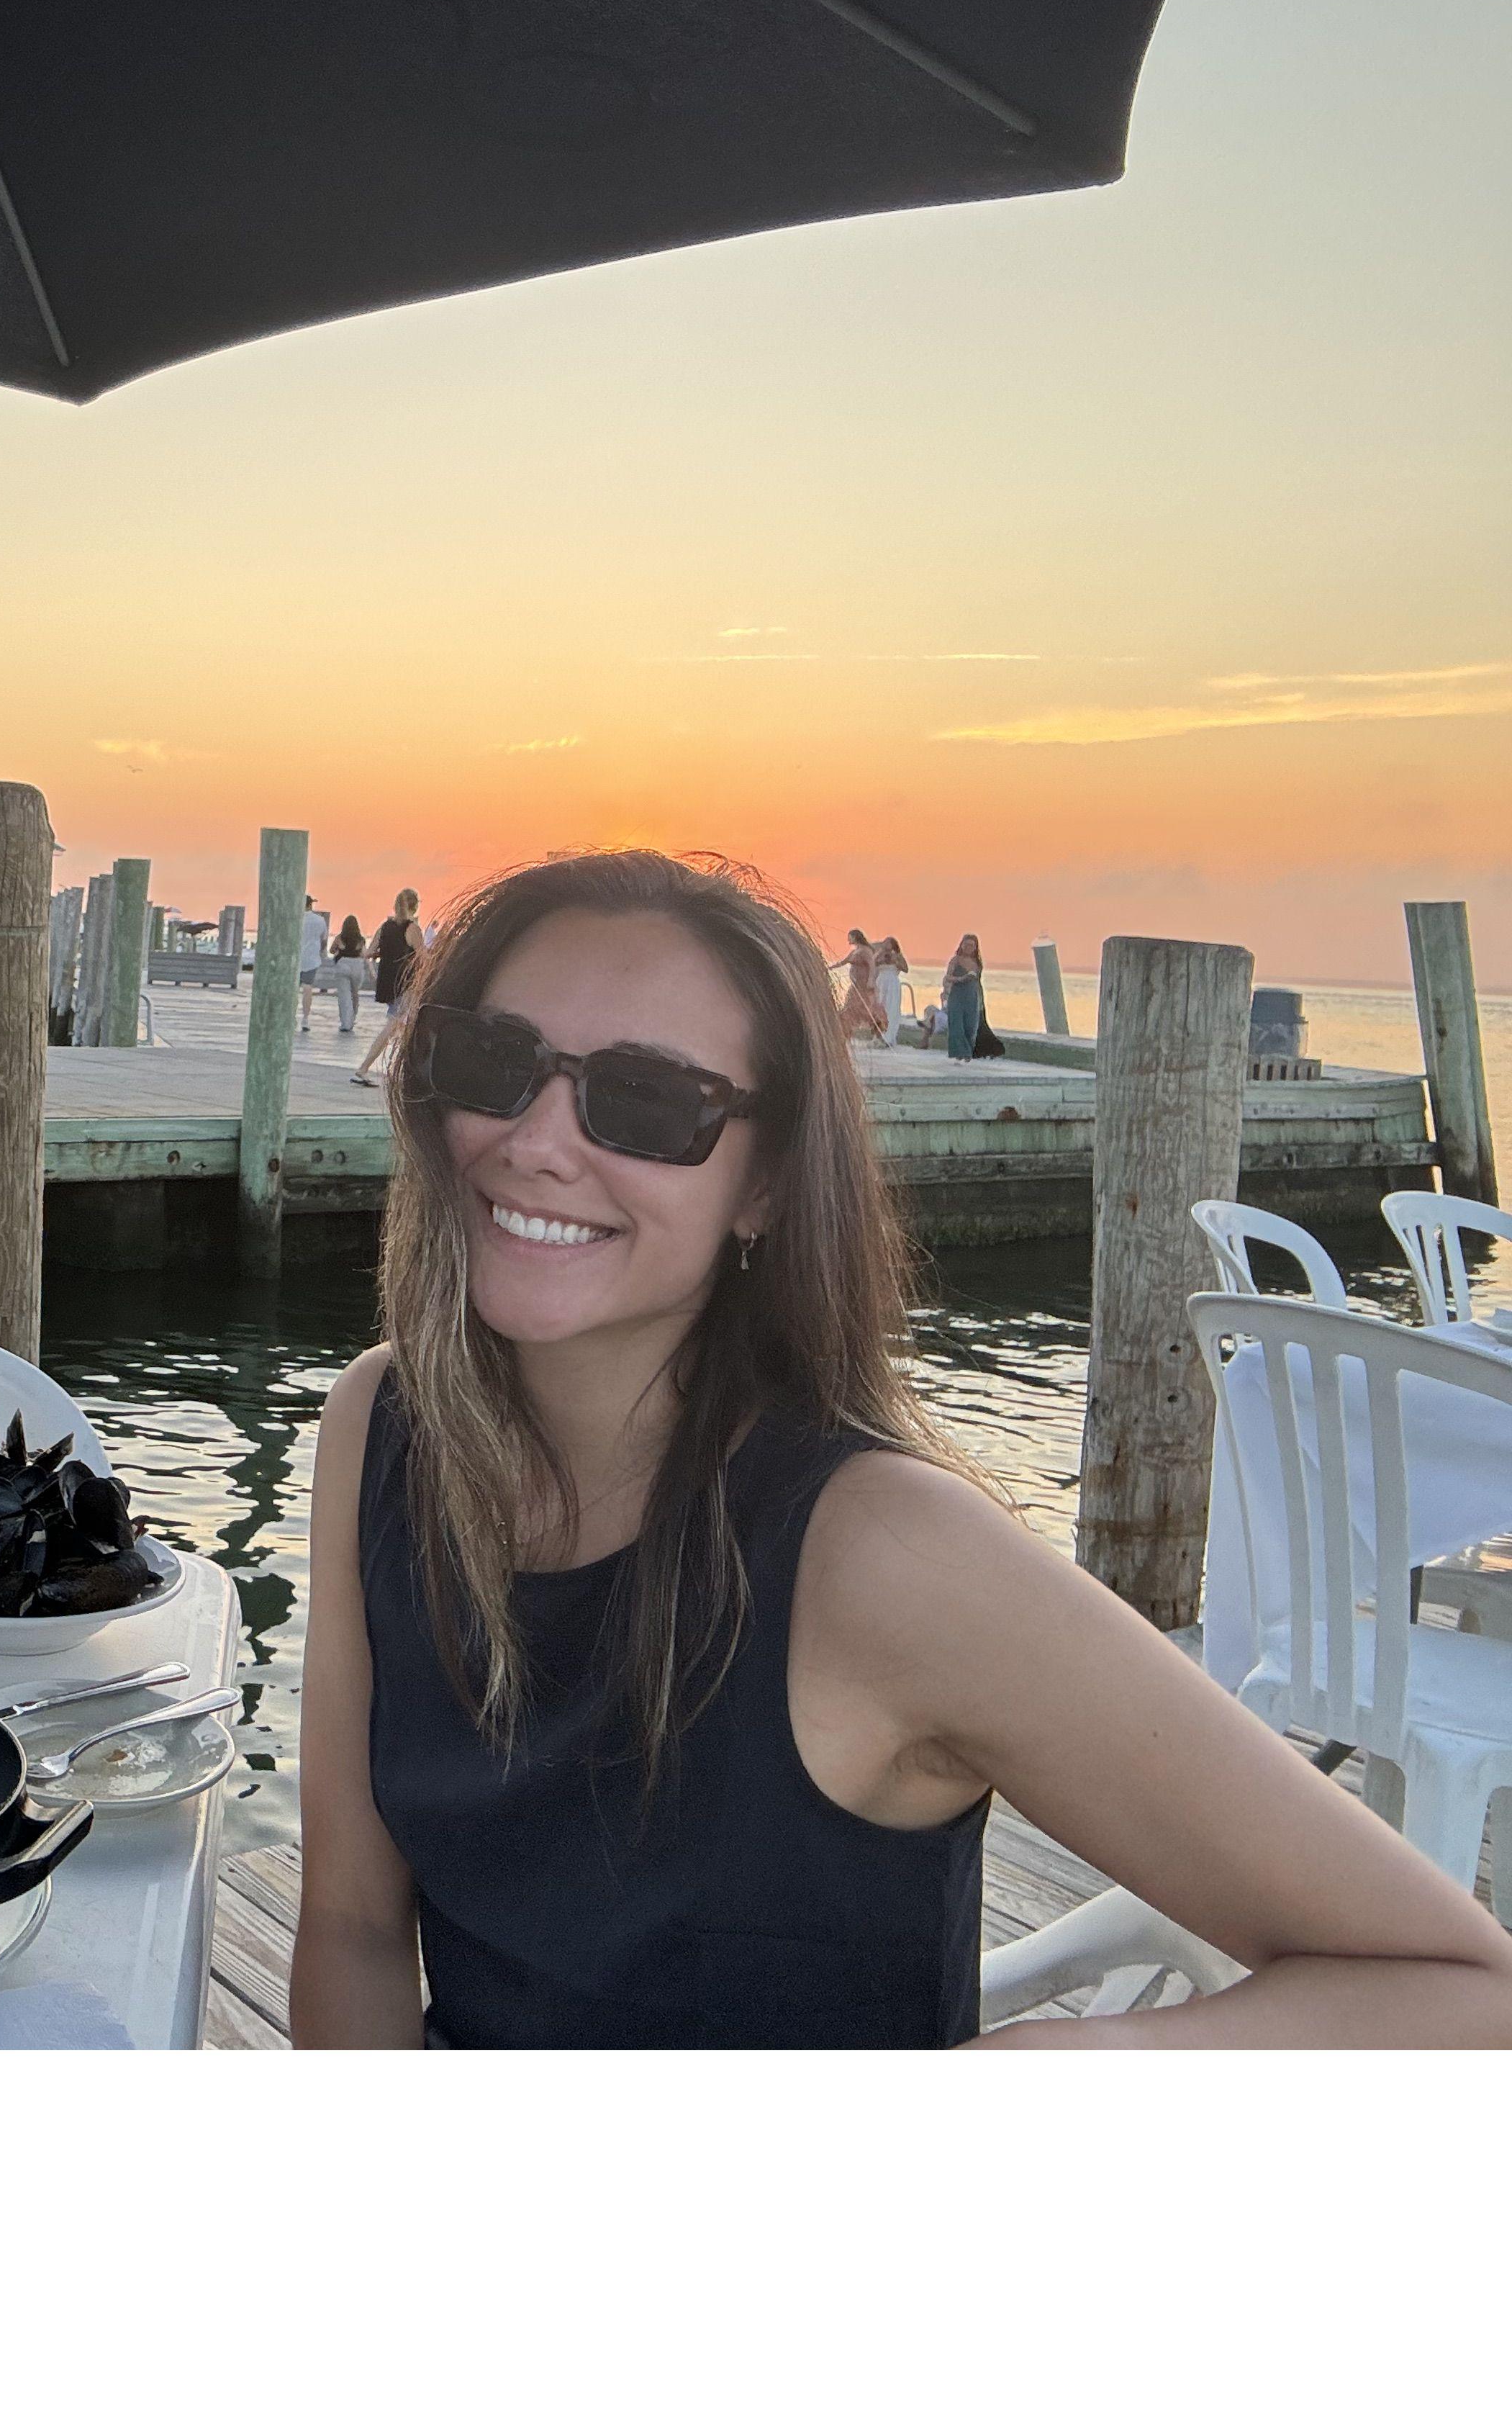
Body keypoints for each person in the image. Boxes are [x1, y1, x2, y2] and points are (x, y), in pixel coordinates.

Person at [289, 848, 1512, 2048]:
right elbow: (351, 1926)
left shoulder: (883, 1555)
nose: (537, 1141)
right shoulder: (385, 1425)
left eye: (647, 1100)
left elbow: (1462, 1990)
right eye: (493, 1062)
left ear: (765, 1185)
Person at [353, 888, 426, 1086]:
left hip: (387, 982)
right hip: (405, 983)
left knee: (403, 1027)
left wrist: (384, 954)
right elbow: (423, 958)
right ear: (415, 907)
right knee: (393, 1025)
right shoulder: (412, 929)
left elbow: (369, 953)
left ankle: (408, 1070)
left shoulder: (385, 927)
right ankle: (364, 1068)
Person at [941, 932, 1003, 1060]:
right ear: (962, 945)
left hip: (973, 997)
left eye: (971, 945)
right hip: (957, 996)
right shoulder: (956, 960)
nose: (968, 948)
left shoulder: (977, 963)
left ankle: (968, 1053)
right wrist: (961, 979)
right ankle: (959, 1054)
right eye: (966, 945)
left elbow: (978, 983)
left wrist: (981, 1000)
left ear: (975, 948)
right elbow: (947, 978)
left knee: (971, 1026)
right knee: (957, 1026)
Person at [835, 928, 886, 1044]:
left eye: (850, 937)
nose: (849, 940)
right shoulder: (855, 951)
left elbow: (872, 966)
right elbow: (843, 962)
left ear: (856, 937)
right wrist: (828, 968)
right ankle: (846, 1034)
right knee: (850, 1009)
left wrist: (870, 981)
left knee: (866, 1009)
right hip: (856, 985)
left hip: (864, 985)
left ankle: (878, 1033)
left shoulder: (865, 951)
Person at [295, 896, 332, 1032]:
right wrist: (320, 951)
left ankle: (291, 1016)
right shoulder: (320, 920)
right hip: (311, 959)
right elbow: (324, 940)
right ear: (310, 905)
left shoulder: (295, 919)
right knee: (307, 988)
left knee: (293, 989)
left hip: (295, 959)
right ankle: (305, 1019)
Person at [330, 913, 368, 1037]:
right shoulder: (361, 940)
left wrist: (338, 950)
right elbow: (363, 954)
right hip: (357, 966)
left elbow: (331, 950)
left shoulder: (340, 938)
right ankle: (353, 1019)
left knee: (344, 996)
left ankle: (345, 1023)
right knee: (355, 994)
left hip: (343, 965)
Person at [872, 934, 906, 1046]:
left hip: (892, 983)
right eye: (885, 942)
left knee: (892, 1009)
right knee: (880, 1008)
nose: (886, 945)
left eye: (888, 943)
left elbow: (905, 969)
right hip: (881, 982)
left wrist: (895, 961)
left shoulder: (897, 956)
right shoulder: (879, 955)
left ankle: (889, 1037)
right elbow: (872, 965)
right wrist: (880, 957)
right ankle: (878, 1036)